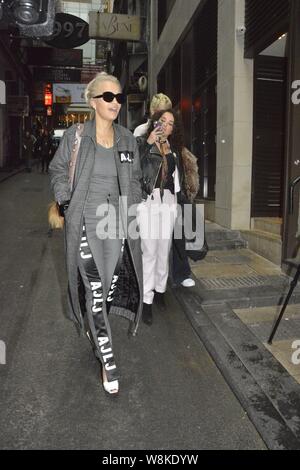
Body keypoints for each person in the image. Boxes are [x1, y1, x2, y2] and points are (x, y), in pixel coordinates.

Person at [49, 73, 143, 396]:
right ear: (93, 102)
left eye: (119, 97)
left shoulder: (128, 140)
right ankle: (109, 360)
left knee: (105, 288)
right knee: (97, 289)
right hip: (84, 222)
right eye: (108, 97)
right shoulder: (76, 136)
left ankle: (97, 331)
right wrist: (65, 199)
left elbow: (134, 183)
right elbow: (58, 169)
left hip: (116, 225)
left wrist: (135, 209)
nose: (115, 102)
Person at [137, 109, 199, 326]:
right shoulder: (141, 142)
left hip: (168, 204)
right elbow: (133, 168)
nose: (165, 125)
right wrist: (148, 142)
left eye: (170, 123)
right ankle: (146, 300)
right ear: (155, 122)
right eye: (162, 120)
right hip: (148, 203)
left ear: (174, 129)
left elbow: (180, 183)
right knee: (149, 252)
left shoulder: (175, 151)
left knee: (164, 251)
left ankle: (160, 291)